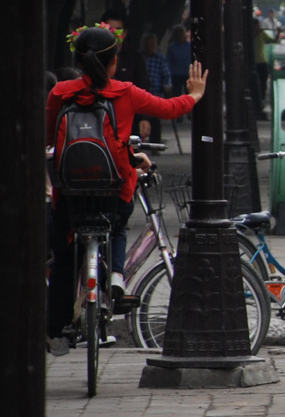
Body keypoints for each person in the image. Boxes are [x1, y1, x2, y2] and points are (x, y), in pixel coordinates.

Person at [47, 26, 206, 341]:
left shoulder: (60, 92)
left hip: (68, 195)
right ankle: (116, 276)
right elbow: (169, 108)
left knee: (64, 257)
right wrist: (195, 94)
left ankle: (56, 329)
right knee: (117, 227)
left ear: (78, 60)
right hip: (113, 193)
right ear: (113, 62)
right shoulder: (125, 92)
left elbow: (50, 137)